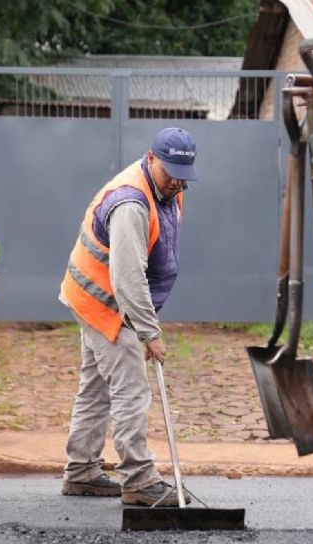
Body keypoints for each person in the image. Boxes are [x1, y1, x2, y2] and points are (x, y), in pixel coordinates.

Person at [59, 127, 198, 506]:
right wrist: (148, 332)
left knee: (95, 387)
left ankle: (81, 470)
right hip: (106, 303)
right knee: (131, 389)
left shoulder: (169, 191)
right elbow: (128, 276)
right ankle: (139, 480)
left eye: (183, 176)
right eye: (169, 172)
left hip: (97, 297)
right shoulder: (131, 203)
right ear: (150, 158)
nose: (176, 182)